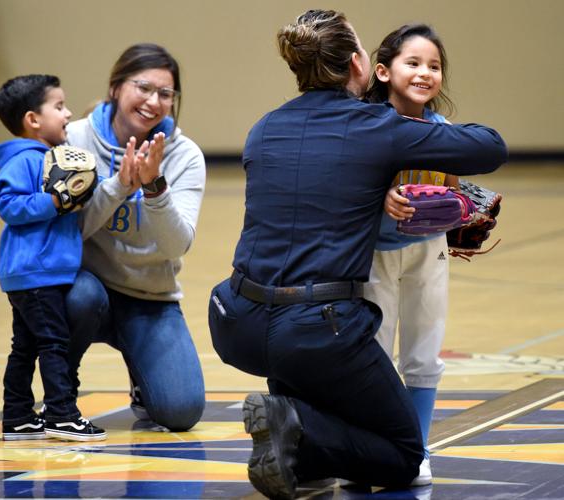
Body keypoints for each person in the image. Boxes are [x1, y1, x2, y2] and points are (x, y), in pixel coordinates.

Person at [208, 9, 507, 499]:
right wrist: (431, 129)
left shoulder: (263, 128)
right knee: (404, 456)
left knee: (303, 355)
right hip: (312, 329)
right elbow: (490, 148)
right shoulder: (377, 126)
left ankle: (298, 446)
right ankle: (295, 422)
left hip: (236, 323)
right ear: (358, 63)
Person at [64, 43, 206, 432]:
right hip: (88, 289)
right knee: (78, 297)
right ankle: (61, 396)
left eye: (165, 94)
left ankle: (144, 377)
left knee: (181, 411)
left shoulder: (185, 156)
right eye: (142, 87)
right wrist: (119, 186)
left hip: (150, 298)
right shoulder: (74, 141)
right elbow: (68, 233)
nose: (153, 101)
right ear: (115, 87)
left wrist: (154, 187)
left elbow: (177, 245)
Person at [363, 23, 460, 486]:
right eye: (413, 62)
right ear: (382, 71)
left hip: (428, 249)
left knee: (424, 350)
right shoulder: (363, 127)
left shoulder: (443, 132)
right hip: (374, 254)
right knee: (374, 353)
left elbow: (455, 184)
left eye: (434, 66)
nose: (425, 73)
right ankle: (368, 449)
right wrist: (380, 196)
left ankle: (416, 451)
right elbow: (348, 183)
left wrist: (459, 202)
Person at [0, 74, 107, 442]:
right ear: (33, 120)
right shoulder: (24, 160)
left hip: (36, 272)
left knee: (25, 346)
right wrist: (54, 202)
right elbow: (8, 205)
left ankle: (18, 416)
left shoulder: (53, 159)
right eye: (59, 106)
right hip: (35, 272)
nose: (68, 113)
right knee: (53, 343)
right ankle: (61, 413)